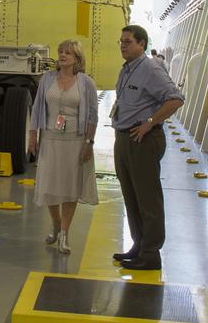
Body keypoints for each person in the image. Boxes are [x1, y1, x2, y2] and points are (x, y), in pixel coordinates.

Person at [111, 24, 184, 270]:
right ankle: (139, 244)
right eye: (121, 41)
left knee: (147, 197)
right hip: (124, 137)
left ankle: (151, 253)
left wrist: (150, 122)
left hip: (143, 139)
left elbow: (175, 99)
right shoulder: (127, 69)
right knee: (131, 194)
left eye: (128, 42)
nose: (123, 46)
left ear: (141, 44)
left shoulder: (151, 69)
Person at [28, 39, 98, 254]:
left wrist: (89, 143)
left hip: (75, 141)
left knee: (70, 188)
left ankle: (65, 233)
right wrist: (33, 135)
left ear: (77, 58)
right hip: (50, 139)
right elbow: (37, 108)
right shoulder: (47, 79)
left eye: (68, 52)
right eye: (60, 52)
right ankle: (56, 223)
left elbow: (92, 116)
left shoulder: (86, 83)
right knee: (49, 185)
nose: (62, 55)